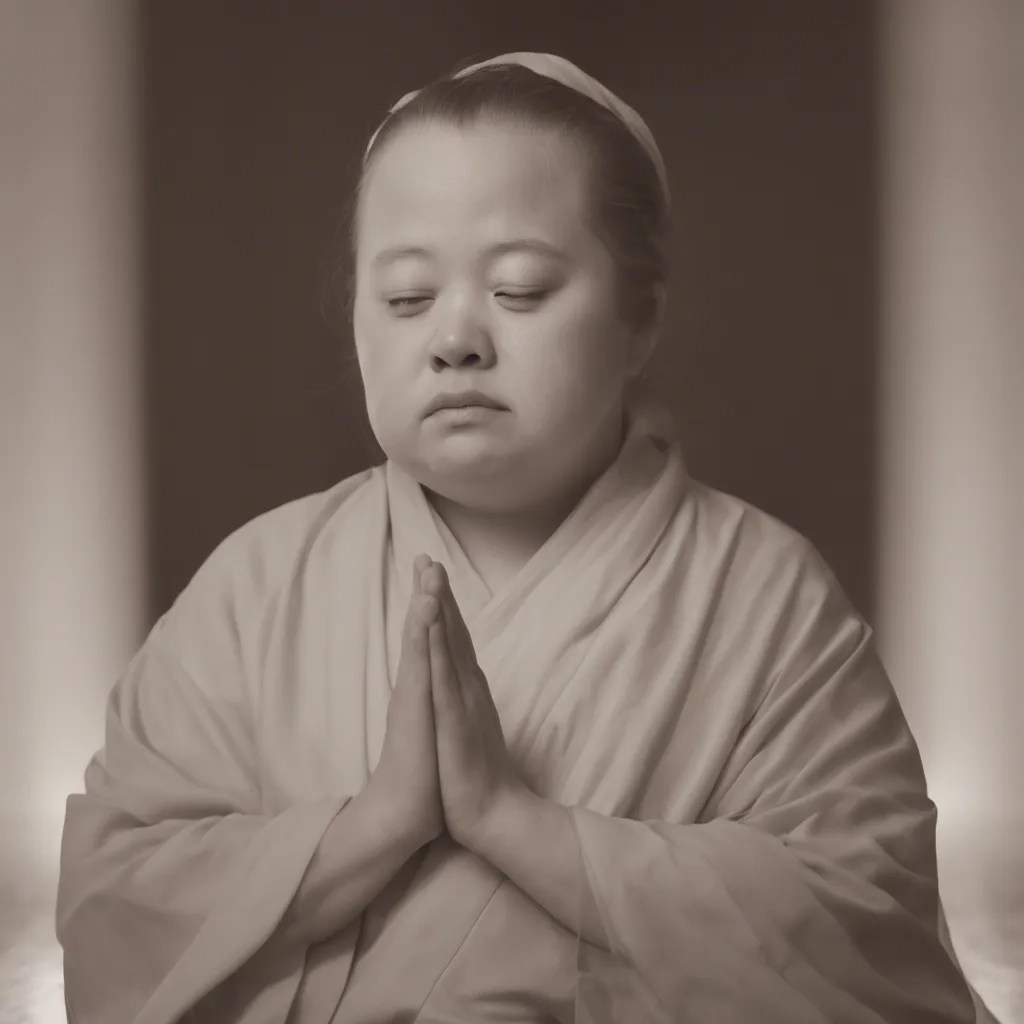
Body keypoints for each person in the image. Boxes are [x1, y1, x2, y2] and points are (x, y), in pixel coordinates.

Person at [56, 52, 983, 1023]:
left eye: (523, 289)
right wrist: (372, 828)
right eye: (407, 297)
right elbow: (116, 901)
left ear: (640, 317)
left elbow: (863, 923)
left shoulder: (769, 601)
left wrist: (520, 827)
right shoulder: (255, 590)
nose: (455, 338)